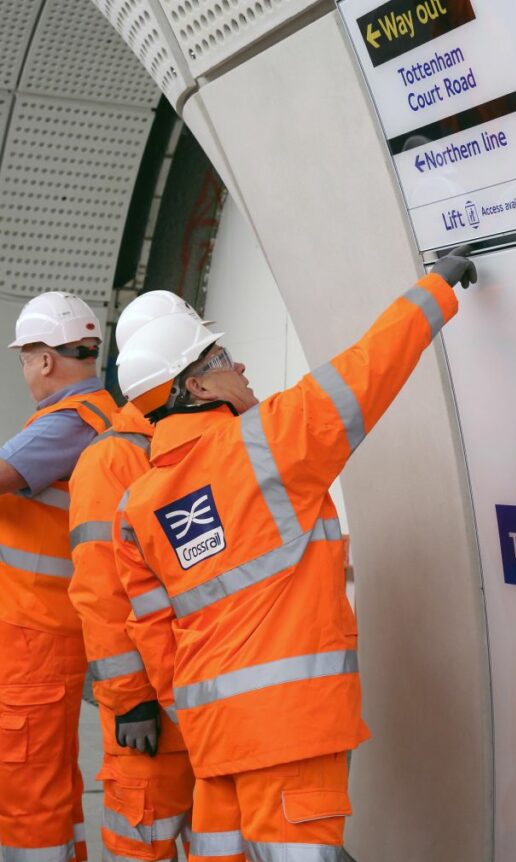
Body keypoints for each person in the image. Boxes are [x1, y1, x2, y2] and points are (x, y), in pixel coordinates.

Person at [111, 249, 477, 860]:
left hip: (215, 744)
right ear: (193, 387)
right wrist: (436, 287)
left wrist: (211, 716)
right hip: (293, 735)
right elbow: (369, 368)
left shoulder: (135, 509)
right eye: (221, 359)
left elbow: (152, 633)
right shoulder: (269, 443)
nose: (242, 366)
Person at [67, 292, 204, 862]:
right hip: (150, 716)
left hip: (203, 699)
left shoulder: (193, 442)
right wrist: (130, 704)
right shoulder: (113, 459)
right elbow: (101, 593)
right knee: (142, 841)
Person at [0, 292, 119, 862]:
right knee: (52, 783)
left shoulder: (69, 424)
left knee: (28, 792)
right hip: (42, 633)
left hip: (35, 638)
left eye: (24, 358)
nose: (25, 371)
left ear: (44, 359)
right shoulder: (92, 416)